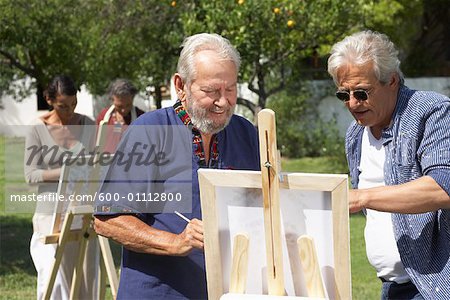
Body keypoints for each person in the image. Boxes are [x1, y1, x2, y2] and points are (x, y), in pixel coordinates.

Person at [93, 33, 260, 299]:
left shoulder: (246, 133)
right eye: (210, 91)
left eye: (230, 89)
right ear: (180, 86)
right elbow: (108, 219)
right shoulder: (148, 132)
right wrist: (176, 242)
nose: (223, 101)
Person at [327, 30, 450, 299]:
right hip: (393, 285)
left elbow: (443, 188)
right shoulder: (355, 134)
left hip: (435, 286)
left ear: (392, 80)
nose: (352, 103)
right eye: (343, 95)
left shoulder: (432, 111)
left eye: (361, 92)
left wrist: (362, 197)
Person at [24, 75, 98, 299]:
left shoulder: (87, 124)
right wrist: (67, 173)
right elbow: (31, 175)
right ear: (49, 99)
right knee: (54, 283)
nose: (69, 111)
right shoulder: (37, 129)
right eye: (62, 106)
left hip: (83, 212)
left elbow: (97, 165)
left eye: (73, 104)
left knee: (86, 282)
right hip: (50, 215)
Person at [96, 78, 145, 153]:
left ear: (132, 99)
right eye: (119, 106)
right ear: (112, 100)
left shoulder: (141, 117)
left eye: (128, 105)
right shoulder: (104, 116)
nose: (124, 110)